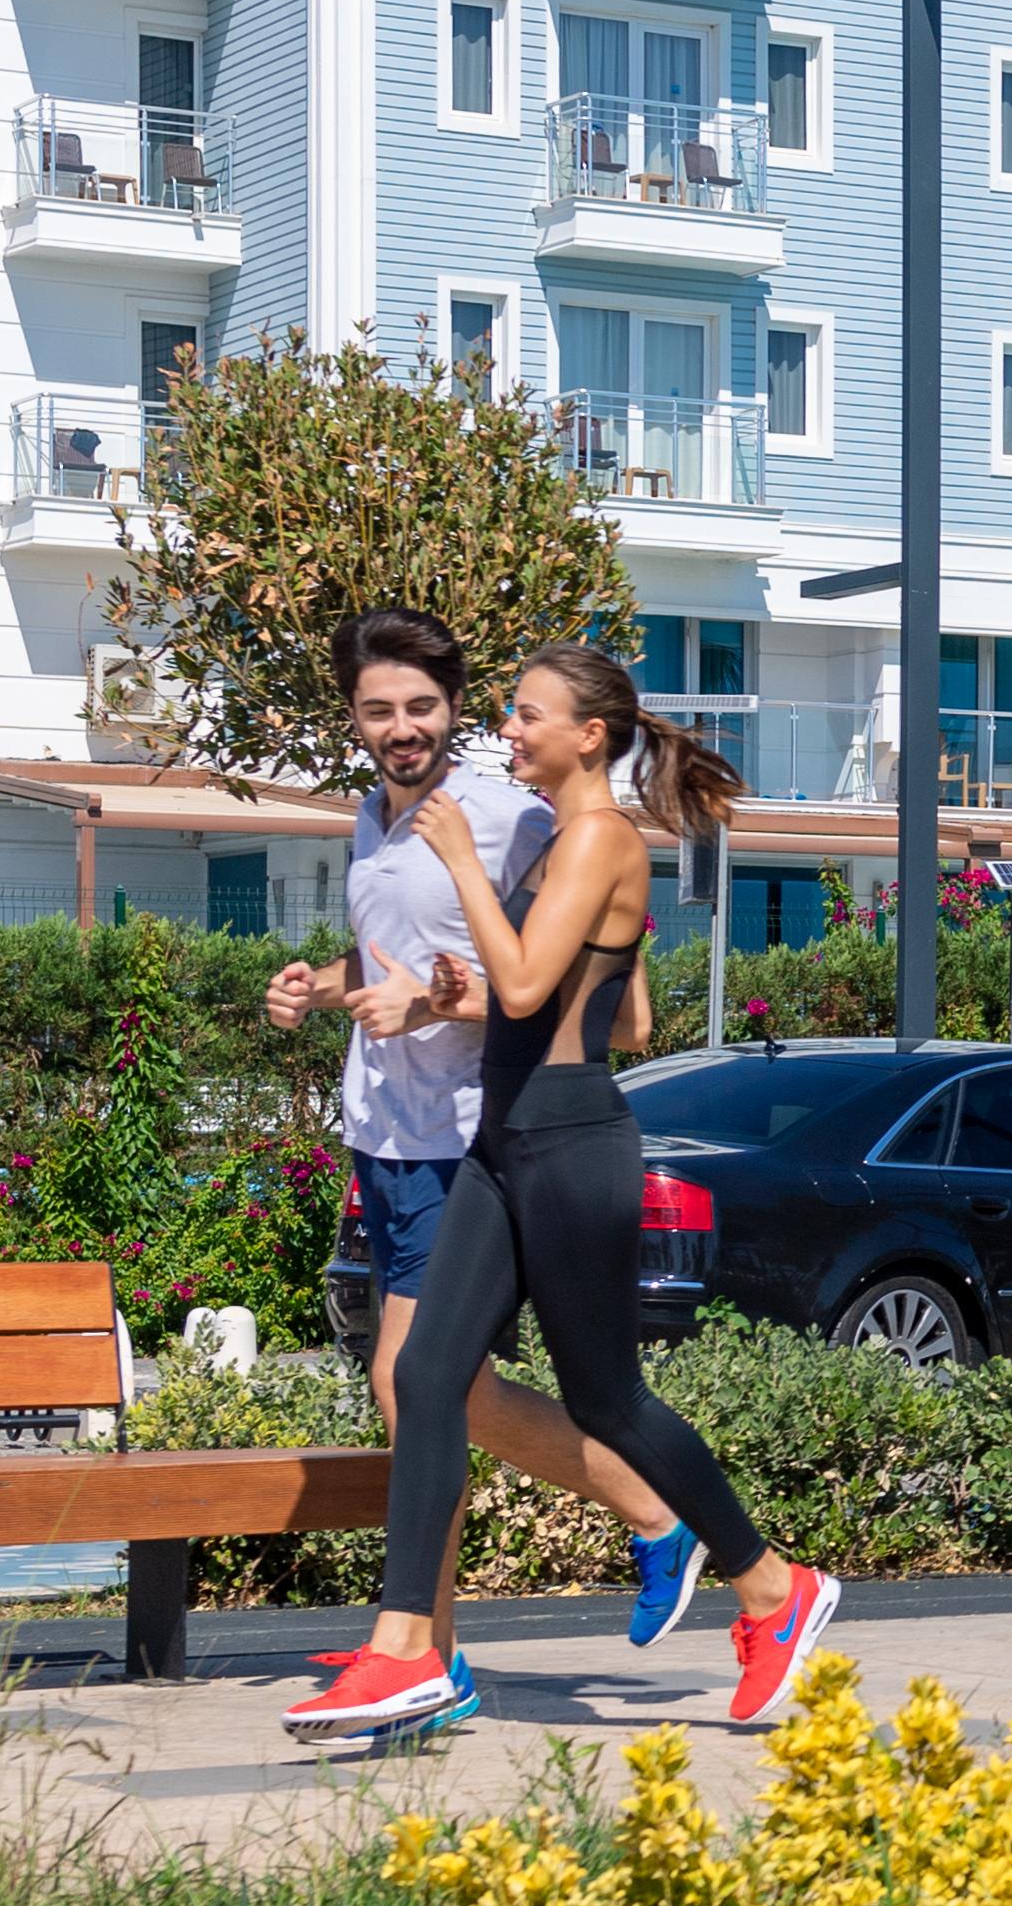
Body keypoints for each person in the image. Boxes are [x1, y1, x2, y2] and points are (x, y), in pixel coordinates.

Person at [286, 646, 833, 1742]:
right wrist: (451, 991)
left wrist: (465, 875)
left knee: (607, 1400)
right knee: (427, 1373)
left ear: (588, 734)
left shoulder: (596, 837)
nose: (509, 727)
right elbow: (582, 1004)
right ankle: (407, 1652)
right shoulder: (559, 845)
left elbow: (531, 984)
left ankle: (776, 1586)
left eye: (527, 713)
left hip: (573, 1144)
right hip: (505, 1134)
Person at [262, 610, 697, 1721]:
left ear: (452, 707)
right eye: (377, 709)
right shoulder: (370, 817)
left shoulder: (509, 817)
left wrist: (436, 998)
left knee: (419, 1387)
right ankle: (631, 1525)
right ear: (353, 719)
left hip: (474, 1131)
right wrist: (322, 980)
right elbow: (394, 949)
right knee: (435, 1390)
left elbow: (556, 980)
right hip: (386, 1133)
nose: (401, 727)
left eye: (421, 706)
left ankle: (427, 1649)